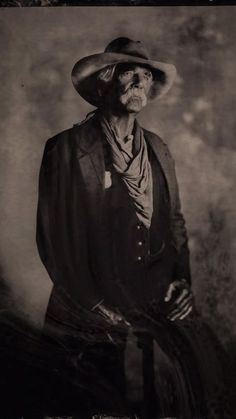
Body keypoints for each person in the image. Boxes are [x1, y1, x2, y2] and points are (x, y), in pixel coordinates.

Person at [36, 38, 230, 419]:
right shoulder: (67, 148)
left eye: (146, 76)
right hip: (86, 297)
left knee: (203, 377)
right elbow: (52, 238)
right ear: (107, 82)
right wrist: (93, 306)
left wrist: (182, 281)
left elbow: (174, 221)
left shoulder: (157, 148)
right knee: (89, 398)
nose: (140, 83)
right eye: (130, 74)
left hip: (150, 291)